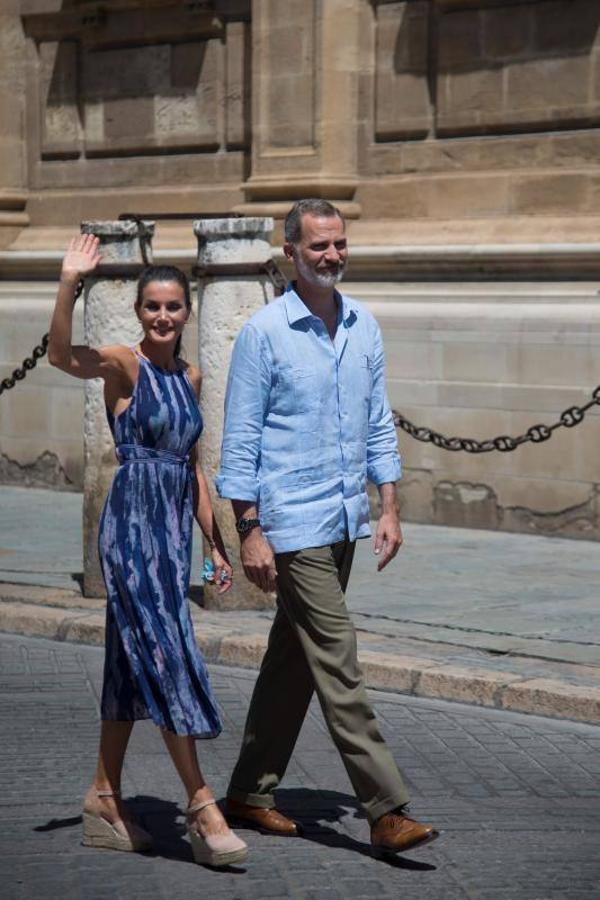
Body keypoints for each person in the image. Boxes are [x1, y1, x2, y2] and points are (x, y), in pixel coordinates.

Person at [216, 199, 438, 855]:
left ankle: (250, 792)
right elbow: (241, 444)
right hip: (291, 522)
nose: (333, 256)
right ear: (292, 252)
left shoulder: (363, 325)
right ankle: (386, 807)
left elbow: (377, 422)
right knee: (337, 661)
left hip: (344, 516)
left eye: (339, 244)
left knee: (294, 660)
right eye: (319, 247)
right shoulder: (264, 334)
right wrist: (249, 530)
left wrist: (388, 505)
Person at [48, 233, 248, 867]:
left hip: (170, 540)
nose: (163, 316)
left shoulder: (189, 376)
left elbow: (193, 471)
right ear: (140, 311)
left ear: (187, 312)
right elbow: (58, 356)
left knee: (130, 666)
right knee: (167, 654)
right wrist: (67, 283)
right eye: (152, 306)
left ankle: (104, 795)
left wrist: (215, 546)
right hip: (130, 534)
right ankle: (200, 803)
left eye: (173, 306)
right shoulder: (124, 365)